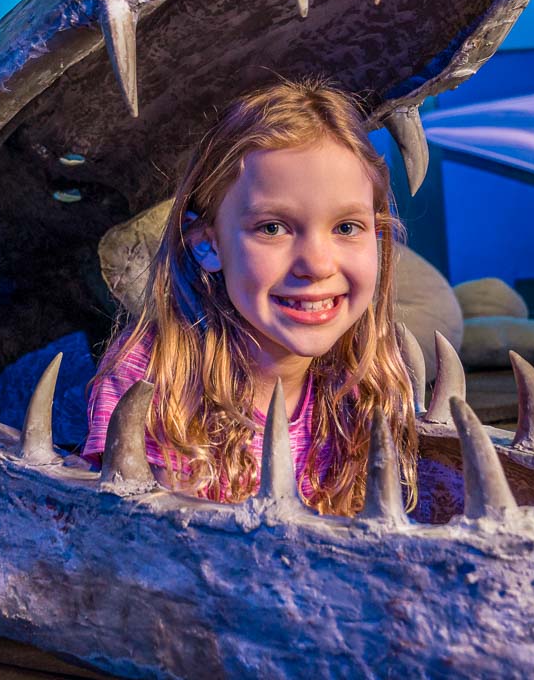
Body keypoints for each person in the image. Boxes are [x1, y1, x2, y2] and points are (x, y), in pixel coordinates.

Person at [82, 80, 418, 515]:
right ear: (208, 244)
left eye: (346, 227)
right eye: (272, 228)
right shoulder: (150, 380)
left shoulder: (370, 385)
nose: (316, 265)